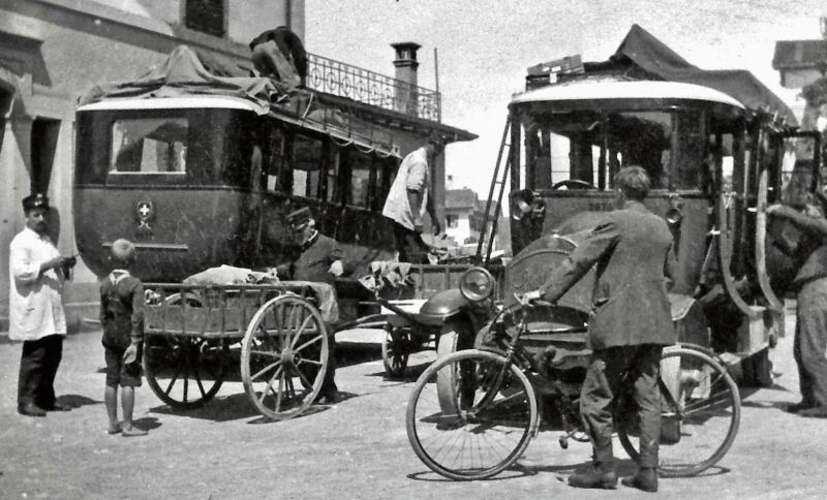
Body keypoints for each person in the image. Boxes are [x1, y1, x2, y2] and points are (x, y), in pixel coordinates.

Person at [522, 166, 676, 492]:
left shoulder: (615, 221)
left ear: (619, 191)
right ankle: (648, 472)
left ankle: (604, 470)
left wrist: (546, 293)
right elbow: (671, 275)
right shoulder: (661, 226)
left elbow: (579, 261)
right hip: (654, 324)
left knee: (594, 398)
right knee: (648, 399)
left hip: (619, 324)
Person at [9, 193, 76, 417]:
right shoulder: (20, 242)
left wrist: (64, 265)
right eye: (35, 215)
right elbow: (21, 274)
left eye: (43, 215)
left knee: (52, 354)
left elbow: (57, 270)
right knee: (35, 356)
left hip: (51, 306)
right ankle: (26, 400)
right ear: (27, 216)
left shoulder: (46, 241)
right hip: (34, 306)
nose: (40, 219)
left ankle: (46, 398)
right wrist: (49, 264)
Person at [767, 169, 827, 419]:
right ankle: (810, 399)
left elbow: (818, 225)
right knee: (802, 350)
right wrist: (775, 234)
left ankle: (824, 402)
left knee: (811, 349)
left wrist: (785, 211)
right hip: (809, 288)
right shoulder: (814, 238)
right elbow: (794, 252)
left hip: (818, 287)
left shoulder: (820, 227)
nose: (808, 211)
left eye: (812, 206)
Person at [278, 207, 344, 404]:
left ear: (311, 224)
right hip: (300, 307)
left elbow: (343, 261)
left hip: (322, 305)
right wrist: (275, 270)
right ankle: (312, 387)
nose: (297, 235)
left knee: (325, 346)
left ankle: (328, 389)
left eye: (300, 231)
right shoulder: (294, 248)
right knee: (304, 348)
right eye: (294, 232)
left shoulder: (328, 244)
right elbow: (288, 268)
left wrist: (339, 264)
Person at [99, 239, 147, 436]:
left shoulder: (104, 283)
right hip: (129, 339)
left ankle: (112, 423)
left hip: (110, 337)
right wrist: (135, 341)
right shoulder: (135, 285)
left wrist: (108, 330)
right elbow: (138, 315)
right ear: (133, 260)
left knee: (111, 380)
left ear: (111, 259)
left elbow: (102, 314)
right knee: (128, 380)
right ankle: (127, 425)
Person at [382, 132, 443, 263]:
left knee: (411, 253)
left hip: (402, 215)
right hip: (404, 215)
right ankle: (414, 281)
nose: (439, 153)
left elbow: (425, 193)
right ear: (432, 144)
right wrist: (416, 218)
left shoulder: (417, 158)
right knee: (414, 256)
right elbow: (412, 189)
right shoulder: (419, 161)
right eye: (439, 148)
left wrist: (434, 217)